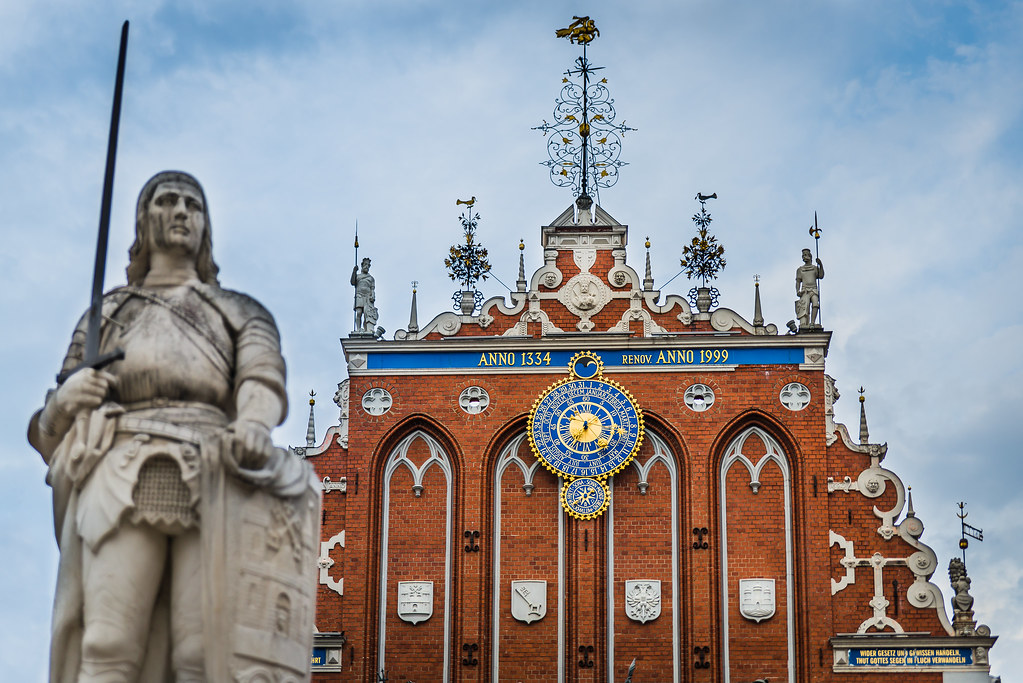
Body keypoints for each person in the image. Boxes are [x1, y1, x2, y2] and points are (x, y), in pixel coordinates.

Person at [28, 171, 312, 682]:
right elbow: (49, 431)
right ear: (145, 219)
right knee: (108, 641)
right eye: (166, 201)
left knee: (202, 651)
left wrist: (252, 423)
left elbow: (263, 382)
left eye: (193, 205)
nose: (181, 211)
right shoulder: (107, 315)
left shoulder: (239, 311)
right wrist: (64, 402)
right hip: (121, 465)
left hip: (212, 469)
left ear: (206, 227)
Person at [794, 247, 824, 330]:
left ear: (810, 256)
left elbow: (821, 276)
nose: (804, 257)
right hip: (805, 291)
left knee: (815, 304)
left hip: (813, 289)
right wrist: (797, 291)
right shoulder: (800, 270)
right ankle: (805, 323)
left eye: (806, 255)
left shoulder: (814, 268)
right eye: (803, 255)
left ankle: (812, 322)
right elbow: (798, 281)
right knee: (805, 308)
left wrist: (820, 264)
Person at [351, 257, 375, 333]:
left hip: (367, 297)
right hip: (359, 295)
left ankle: (366, 329)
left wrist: (373, 295)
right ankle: (358, 329)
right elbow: (352, 282)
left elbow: (372, 288)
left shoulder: (371, 278)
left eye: (368, 265)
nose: (367, 266)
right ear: (362, 265)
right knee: (359, 313)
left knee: (366, 314)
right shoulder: (358, 276)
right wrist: (354, 271)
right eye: (365, 264)